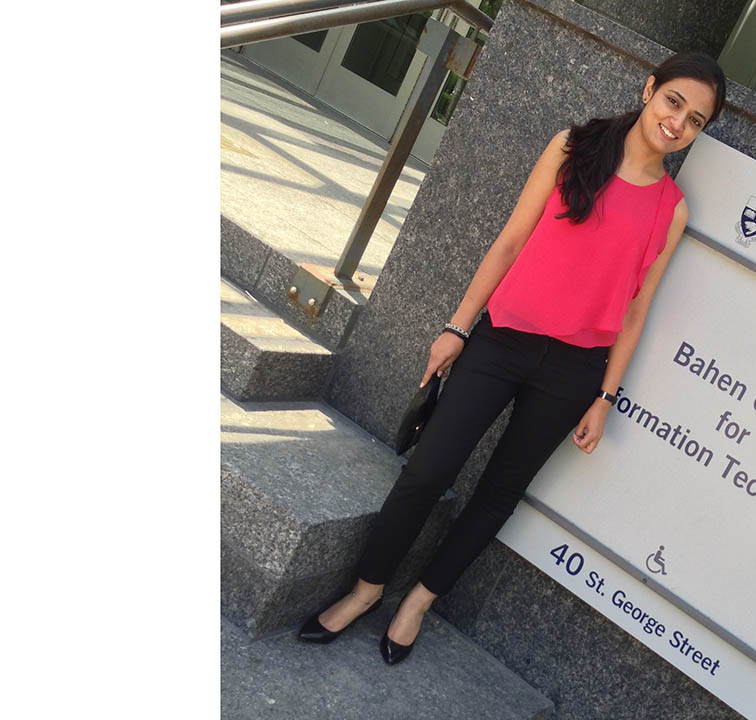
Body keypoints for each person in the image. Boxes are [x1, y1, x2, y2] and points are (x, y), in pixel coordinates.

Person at [298, 51, 727, 664]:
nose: (678, 123)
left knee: (499, 493)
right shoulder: (571, 149)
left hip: (574, 372)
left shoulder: (672, 209)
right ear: (649, 89)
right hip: (502, 340)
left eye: (696, 120)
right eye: (673, 102)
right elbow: (511, 240)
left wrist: (605, 398)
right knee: (428, 471)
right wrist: (457, 326)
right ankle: (366, 590)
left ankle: (419, 601)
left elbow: (636, 312)